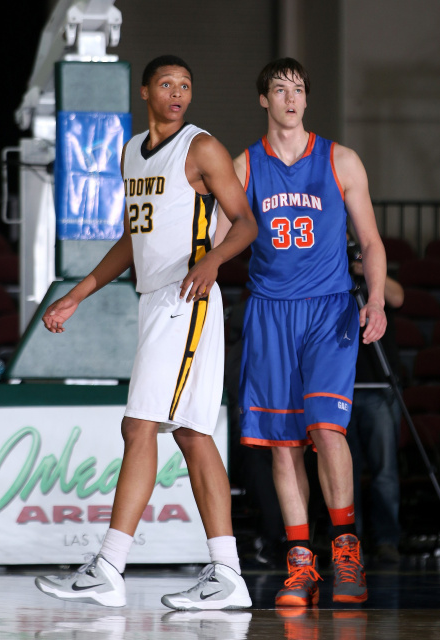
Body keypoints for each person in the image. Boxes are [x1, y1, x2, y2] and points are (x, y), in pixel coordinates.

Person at [35, 55, 258, 610]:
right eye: (167, 84)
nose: (178, 92)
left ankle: (109, 566)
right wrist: (76, 295)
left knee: (139, 426)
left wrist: (211, 264)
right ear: (144, 92)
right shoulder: (131, 153)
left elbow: (246, 220)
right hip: (154, 299)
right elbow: (131, 243)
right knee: (190, 434)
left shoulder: (200, 148)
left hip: (188, 299)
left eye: (186, 84)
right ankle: (227, 573)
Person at [217, 57, 387, 606]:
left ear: (307, 100)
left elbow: (372, 240)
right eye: (278, 89)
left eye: (298, 89)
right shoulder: (244, 165)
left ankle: (345, 549)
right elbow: (219, 238)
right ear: (263, 100)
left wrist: (378, 298)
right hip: (269, 312)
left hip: (328, 310)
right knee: (283, 445)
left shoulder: (341, 160)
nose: (290, 97)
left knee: (326, 429)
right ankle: (300, 562)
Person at [347, 244, 404, 564]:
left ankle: (386, 541)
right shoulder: (328, 272)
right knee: (345, 472)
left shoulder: (372, 265)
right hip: (343, 386)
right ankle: (347, 545)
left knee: (385, 470)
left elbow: (397, 297)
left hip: (380, 386)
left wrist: (366, 272)